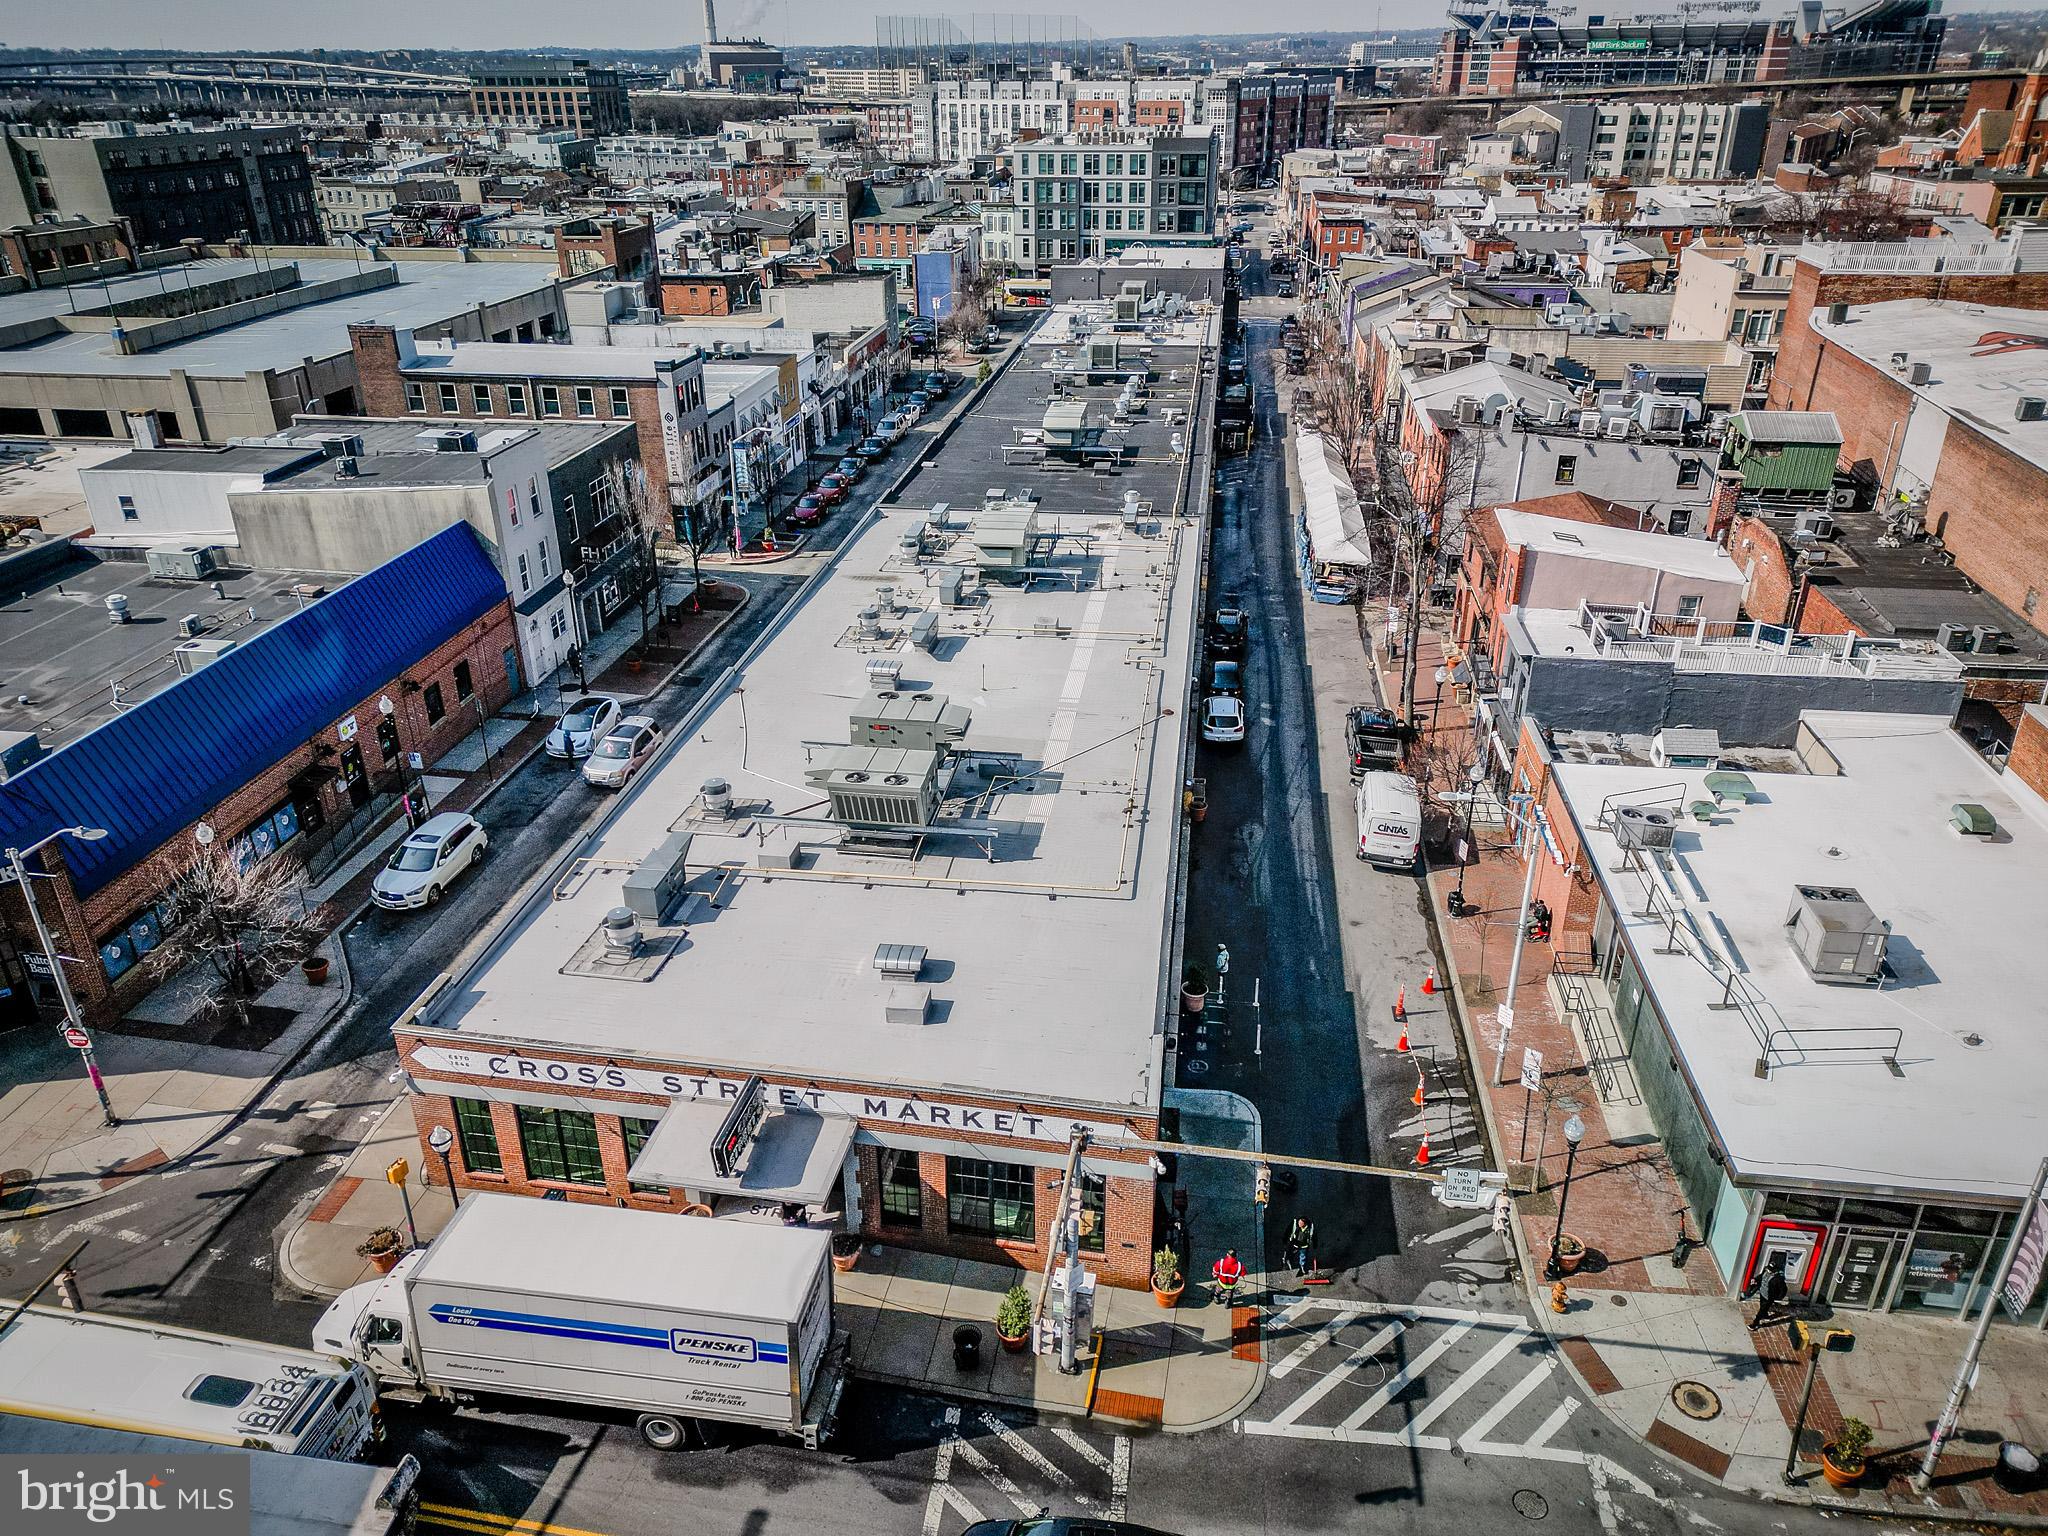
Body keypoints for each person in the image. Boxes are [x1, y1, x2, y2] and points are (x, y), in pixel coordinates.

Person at [1744, 1252, 1792, 1330]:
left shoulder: (1778, 1279)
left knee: (1762, 1309)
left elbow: (1783, 1290)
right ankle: (1765, 1315)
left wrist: (1777, 1297)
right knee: (1762, 1306)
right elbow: (1761, 1276)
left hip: (1769, 1296)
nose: (1768, 1271)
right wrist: (1756, 1279)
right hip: (1762, 1292)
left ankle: (1755, 1323)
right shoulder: (1766, 1270)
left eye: (1770, 1271)